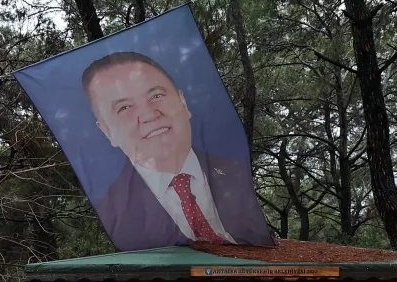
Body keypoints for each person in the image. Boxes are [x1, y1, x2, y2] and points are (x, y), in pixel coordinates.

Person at [79, 50, 273, 249]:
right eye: (124, 108)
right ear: (107, 131)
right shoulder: (113, 210)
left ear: (183, 102)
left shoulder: (236, 171)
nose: (149, 114)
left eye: (156, 95)